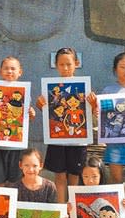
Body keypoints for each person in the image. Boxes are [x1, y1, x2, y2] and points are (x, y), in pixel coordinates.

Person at [35, 47, 91, 203]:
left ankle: (72, 210)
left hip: (78, 139)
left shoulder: (84, 89)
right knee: (59, 176)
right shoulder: (52, 89)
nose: (65, 68)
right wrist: (41, 105)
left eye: (69, 64)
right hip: (57, 138)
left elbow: (90, 114)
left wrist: (93, 103)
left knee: (74, 176)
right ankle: (61, 210)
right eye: (61, 64)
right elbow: (48, 111)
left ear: (76, 64)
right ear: (56, 65)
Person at [87, 53, 125, 184]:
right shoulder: (108, 91)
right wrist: (96, 111)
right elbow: (101, 116)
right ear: (115, 69)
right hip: (114, 144)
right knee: (115, 181)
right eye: (122, 67)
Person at [0, 56, 36, 186]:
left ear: (20, 72)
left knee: (15, 181)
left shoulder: (24, 92)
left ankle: (13, 205)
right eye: (6, 68)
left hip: (16, 144)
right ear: (0, 71)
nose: (9, 71)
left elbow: (27, 118)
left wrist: (32, 114)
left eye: (13, 68)